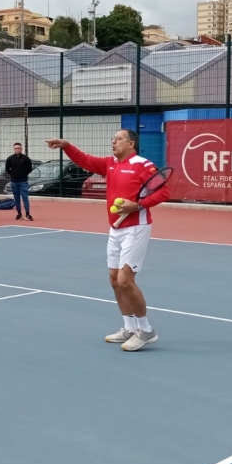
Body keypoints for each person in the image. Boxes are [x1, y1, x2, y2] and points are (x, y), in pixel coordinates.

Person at [46, 130, 170, 352]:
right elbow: (85, 159)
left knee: (125, 280)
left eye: (118, 138)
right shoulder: (109, 164)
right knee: (114, 280)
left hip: (136, 228)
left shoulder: (143, 165)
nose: (113, 141)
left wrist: (138, 205)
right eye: (112, 138)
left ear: (131, 143)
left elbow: (164, 192)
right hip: (115, 228)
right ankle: (129, 327)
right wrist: (66, 145)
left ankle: (146, 330)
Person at [4, 142, 34, 221]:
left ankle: (27, 214)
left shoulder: (26, 158)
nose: (17, 149)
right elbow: (7, 169)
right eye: (16, 148)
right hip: (14, 182)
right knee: (16, 198)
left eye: (19, 148)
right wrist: (13, 175)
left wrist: (24, 174)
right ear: (13, 149)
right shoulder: (10, 159)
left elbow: (29, 169)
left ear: (21, 149)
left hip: (23, 181)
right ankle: (19, 213)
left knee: (25, 198)